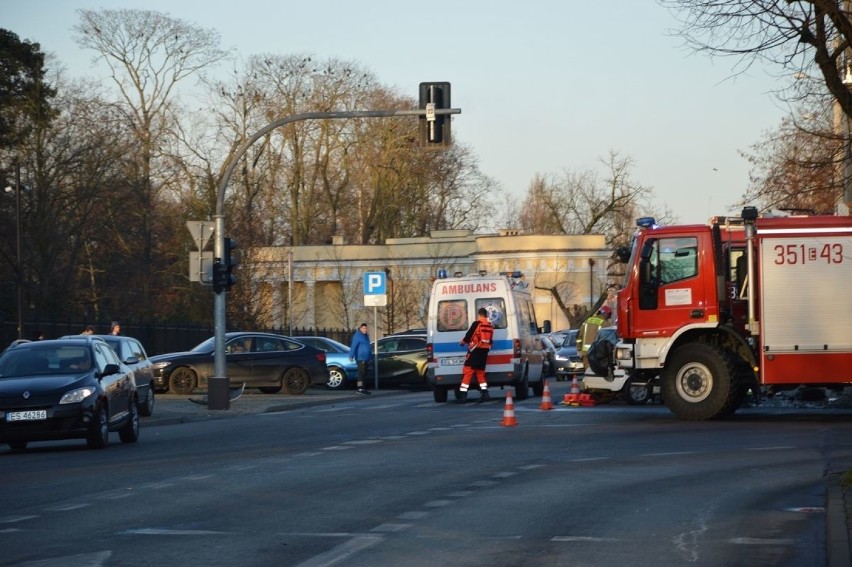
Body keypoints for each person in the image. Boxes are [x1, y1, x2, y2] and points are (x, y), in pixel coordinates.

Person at [457, 307, 494, 403]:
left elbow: (469, 334)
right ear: (486, 315)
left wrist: (463, 342)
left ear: (479, 314)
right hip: (484, 351)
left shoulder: (477, 323)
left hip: (475, 350)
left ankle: (463, 396)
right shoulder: (490, 325)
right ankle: (485, 394)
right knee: (480, 372)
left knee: (468, 371)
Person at [577, 305, 612, 369]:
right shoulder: (605, 323)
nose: (609, 317)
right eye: (609, 314)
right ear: (606, 314)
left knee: (588, 373)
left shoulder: (588, 321)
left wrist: (579, 349)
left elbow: (579, 336)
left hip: (585, 353)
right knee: (597, 374)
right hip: (598, 354)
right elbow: (609, 339)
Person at [349, 323, 372, 395]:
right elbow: (354, 346)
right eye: (364, 328)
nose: (365, 330)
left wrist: (370, 357)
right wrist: (351, 355)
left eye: (366, 328)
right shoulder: (358, 336)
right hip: (360, 358)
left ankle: (363, 388)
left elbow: (368, 347)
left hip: (366, 358)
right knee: (361, 374)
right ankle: (359, 388)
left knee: (364, 374)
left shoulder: (366, 336)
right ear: (360, 328)